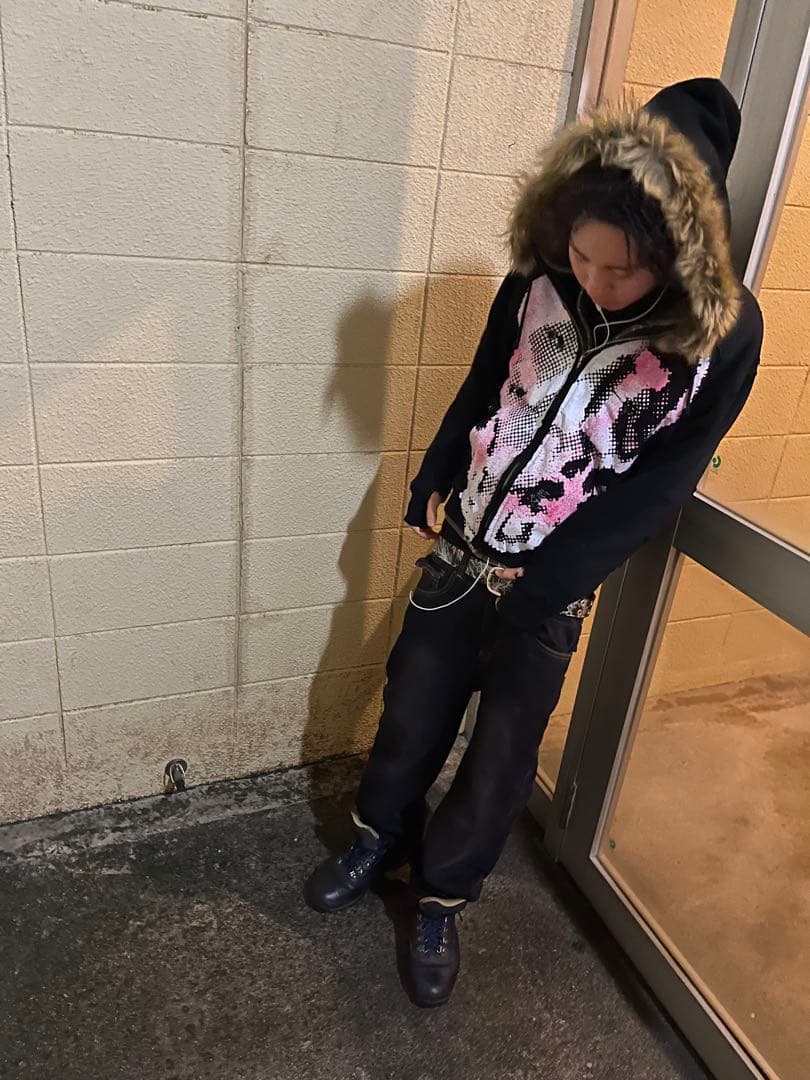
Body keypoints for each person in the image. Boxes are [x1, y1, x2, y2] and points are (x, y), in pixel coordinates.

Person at [304, 78, 763, 1007]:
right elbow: (487, 377)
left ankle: (440, 898)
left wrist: (549, 583)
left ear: (678, 252)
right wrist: (437, 469)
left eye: (621, 270)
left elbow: (663, 483)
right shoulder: (540, 273)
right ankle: (379, 838)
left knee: (502, 759)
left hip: (552, 584)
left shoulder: (722, 339)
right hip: (461, 550)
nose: (593, 280)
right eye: (582, 256)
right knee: (411, 710)